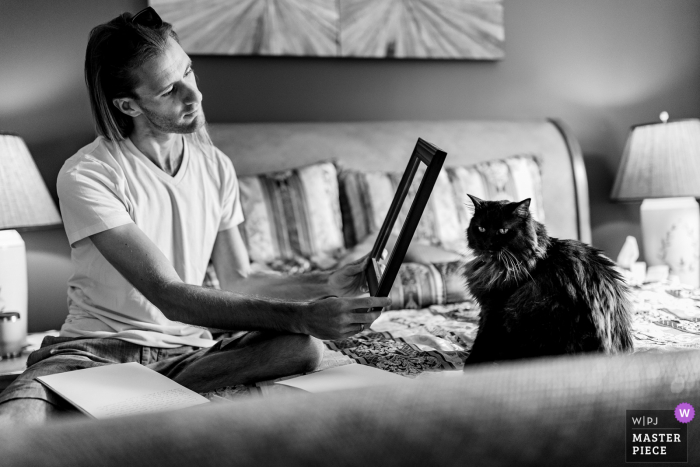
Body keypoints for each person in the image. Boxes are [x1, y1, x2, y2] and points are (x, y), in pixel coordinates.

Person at [0, 7, 390, 426]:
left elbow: (241, 279)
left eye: (189, 71)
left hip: (188, 356)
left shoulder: (215, 164)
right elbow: (169, 295)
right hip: (95, 353)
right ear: (128, 105)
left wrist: (323, 283)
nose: (194, 95)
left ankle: (131, 403)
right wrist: (301, 314)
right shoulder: (88, 174)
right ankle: (116, 399)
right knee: (16, 420)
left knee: (302, 349)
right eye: (170, 89)